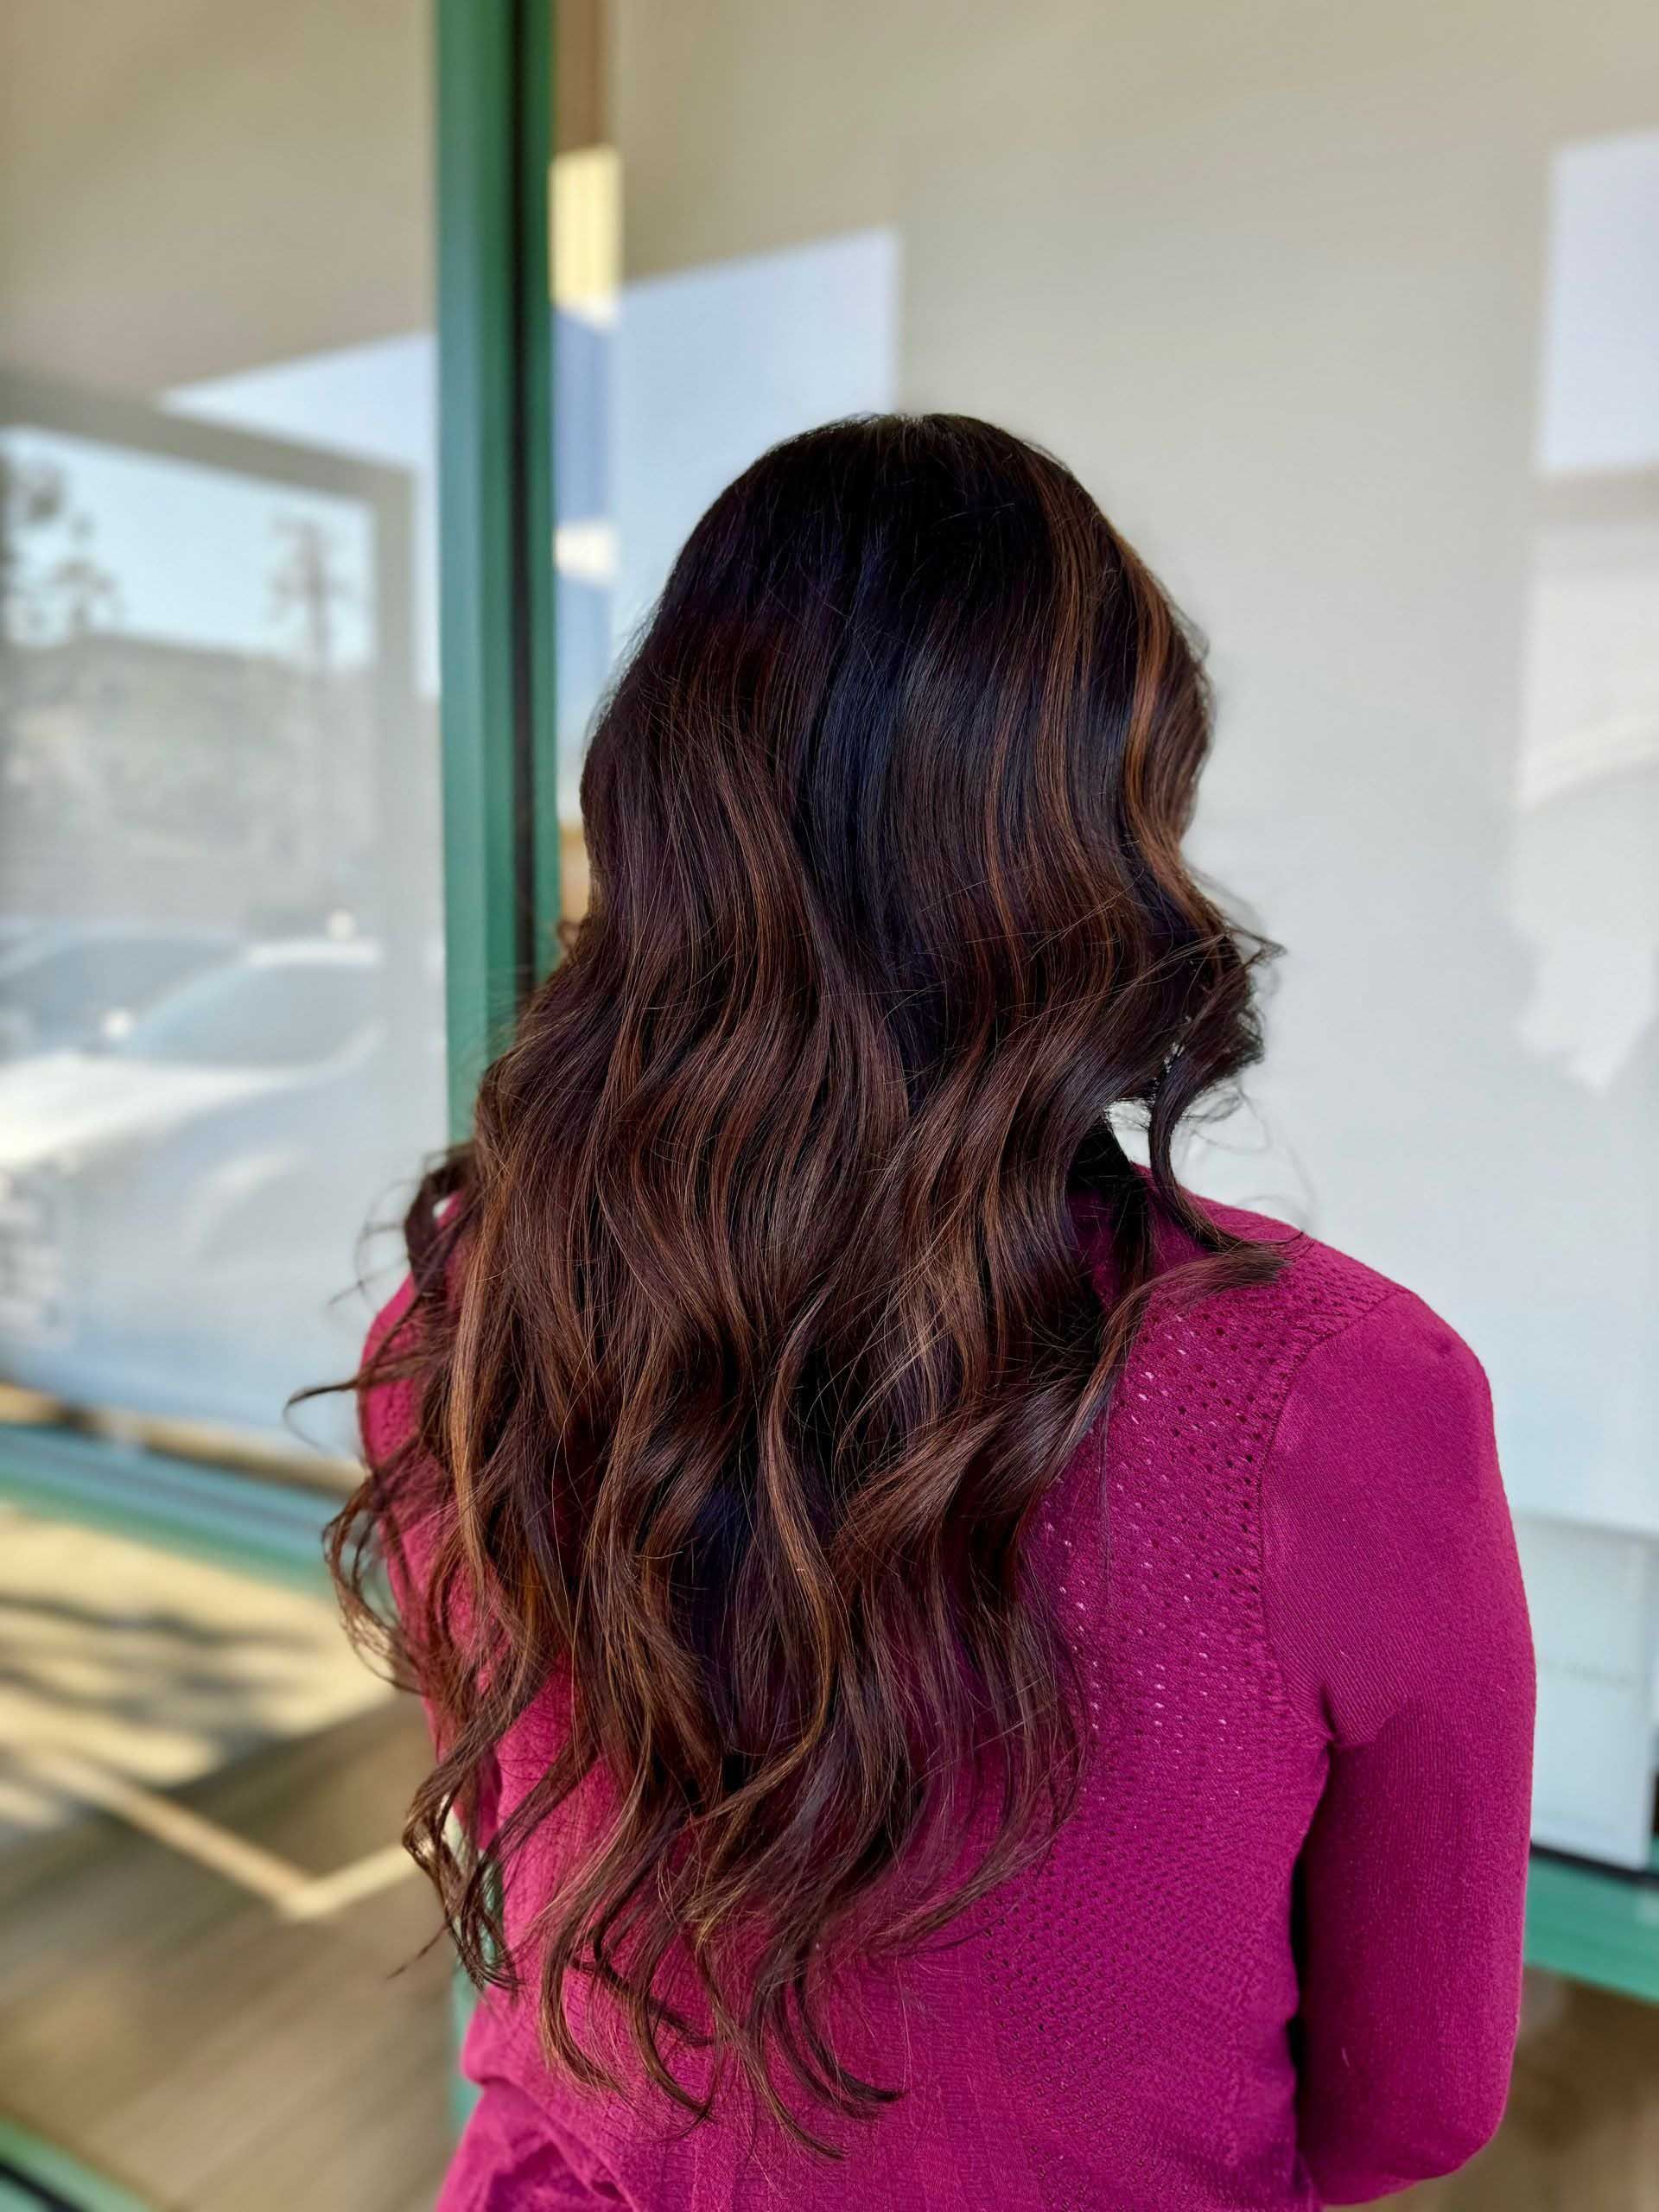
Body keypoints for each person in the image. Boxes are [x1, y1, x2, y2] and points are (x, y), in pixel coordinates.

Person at [340, 415, 1535, 2209]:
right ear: (1102, 854)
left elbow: (548, 1863)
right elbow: (1413, 2099)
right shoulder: (1340, 1403)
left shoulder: (463, 1328)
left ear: (659, 822)